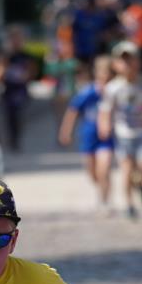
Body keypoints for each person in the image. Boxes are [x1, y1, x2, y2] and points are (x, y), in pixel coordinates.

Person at [98, 41, 142, 220]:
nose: (128, 65)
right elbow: (106, 109)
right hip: (123, 133)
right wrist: (105, 125)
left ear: (138, 62)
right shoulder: (113, 87)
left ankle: (139, 183)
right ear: (116, 64)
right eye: (123, 61)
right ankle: (129, 204)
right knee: (126, 168)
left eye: (131, 60)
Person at [58, 55, 115, 214]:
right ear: (97, 74)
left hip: (107, 138)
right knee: (93, 173)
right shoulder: (88, 92)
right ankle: (101, 190)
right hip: (89, 136)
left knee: (104, 168)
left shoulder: (115, 91)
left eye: (110, 75)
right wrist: (66, 131)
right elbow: (73, 111)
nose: (106, 79)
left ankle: (105, 201)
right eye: (103, 74)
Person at [2, 26, 35, 152]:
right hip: (8, 90)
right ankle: (11, 140)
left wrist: (27, 76)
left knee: (19, 116)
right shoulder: (6, 56)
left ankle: (16, 140)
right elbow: (0, 70)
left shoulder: (26, 56)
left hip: (21, 90)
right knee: (9, 117)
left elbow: (32, 71)